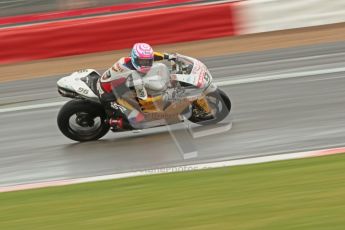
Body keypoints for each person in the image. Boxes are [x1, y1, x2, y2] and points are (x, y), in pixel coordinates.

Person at [97, 43, 176, 129]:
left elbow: (152, 55)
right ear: (134, 58)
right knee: (138, 120)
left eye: (148, 61)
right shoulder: (130, 72)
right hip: (109, 93)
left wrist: (168, 56)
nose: (145, 64)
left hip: (119, 84)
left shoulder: (127, 60)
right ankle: (112, 122)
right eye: (142, 61)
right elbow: (143, 97)